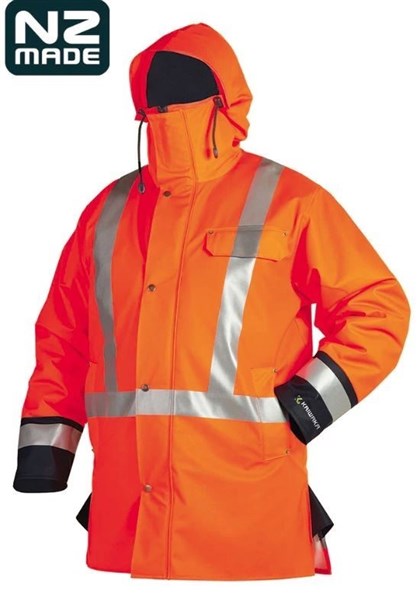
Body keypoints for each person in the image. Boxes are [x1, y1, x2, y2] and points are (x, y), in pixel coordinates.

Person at [13, 22, 410, 580]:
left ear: (226, 100)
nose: (167, 101)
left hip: (250, 510)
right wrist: (46, 452)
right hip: (128, 514)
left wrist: (310, 402)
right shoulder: (107, 211)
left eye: (184, 87)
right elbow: (63, 336)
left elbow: (378, 308)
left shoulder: (289, 200)